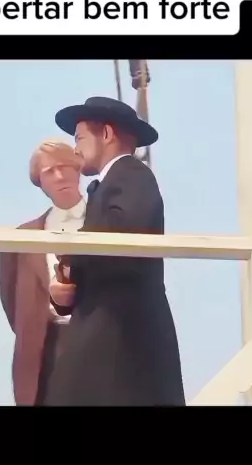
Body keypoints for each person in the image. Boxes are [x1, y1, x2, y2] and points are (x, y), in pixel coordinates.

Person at [48, 96, 185, 406]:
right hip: (109, 343)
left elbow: (120, 236)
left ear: (107, 134)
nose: (75, 148)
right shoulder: (112, 183)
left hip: (123, 346)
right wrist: (66, 286)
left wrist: (69, 262)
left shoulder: (132, 174)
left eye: (80, 137)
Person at [0, 139, 85, 405]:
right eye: (49, 171)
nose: (59, 176)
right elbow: (11, 300)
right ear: (40, 182)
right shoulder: (23, 236)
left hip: (98, 344)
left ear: (78, 168)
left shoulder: (106, 223)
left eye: (64, 166)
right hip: (45, 352)